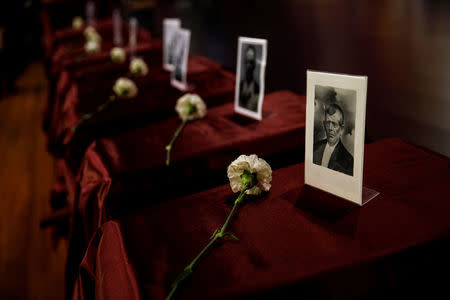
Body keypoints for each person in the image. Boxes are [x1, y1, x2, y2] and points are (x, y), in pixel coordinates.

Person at [313, 103, 354, 176]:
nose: (330, 128)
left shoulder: (348, 161)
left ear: (341, 129)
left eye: (334, 124)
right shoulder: (315, 147)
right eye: (328, 123)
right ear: (324, 124)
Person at [239, 45, 260, 112]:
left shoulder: (256, 86)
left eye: (251, 62)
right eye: (247, 62)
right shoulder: (241, 84)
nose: (248, 65)